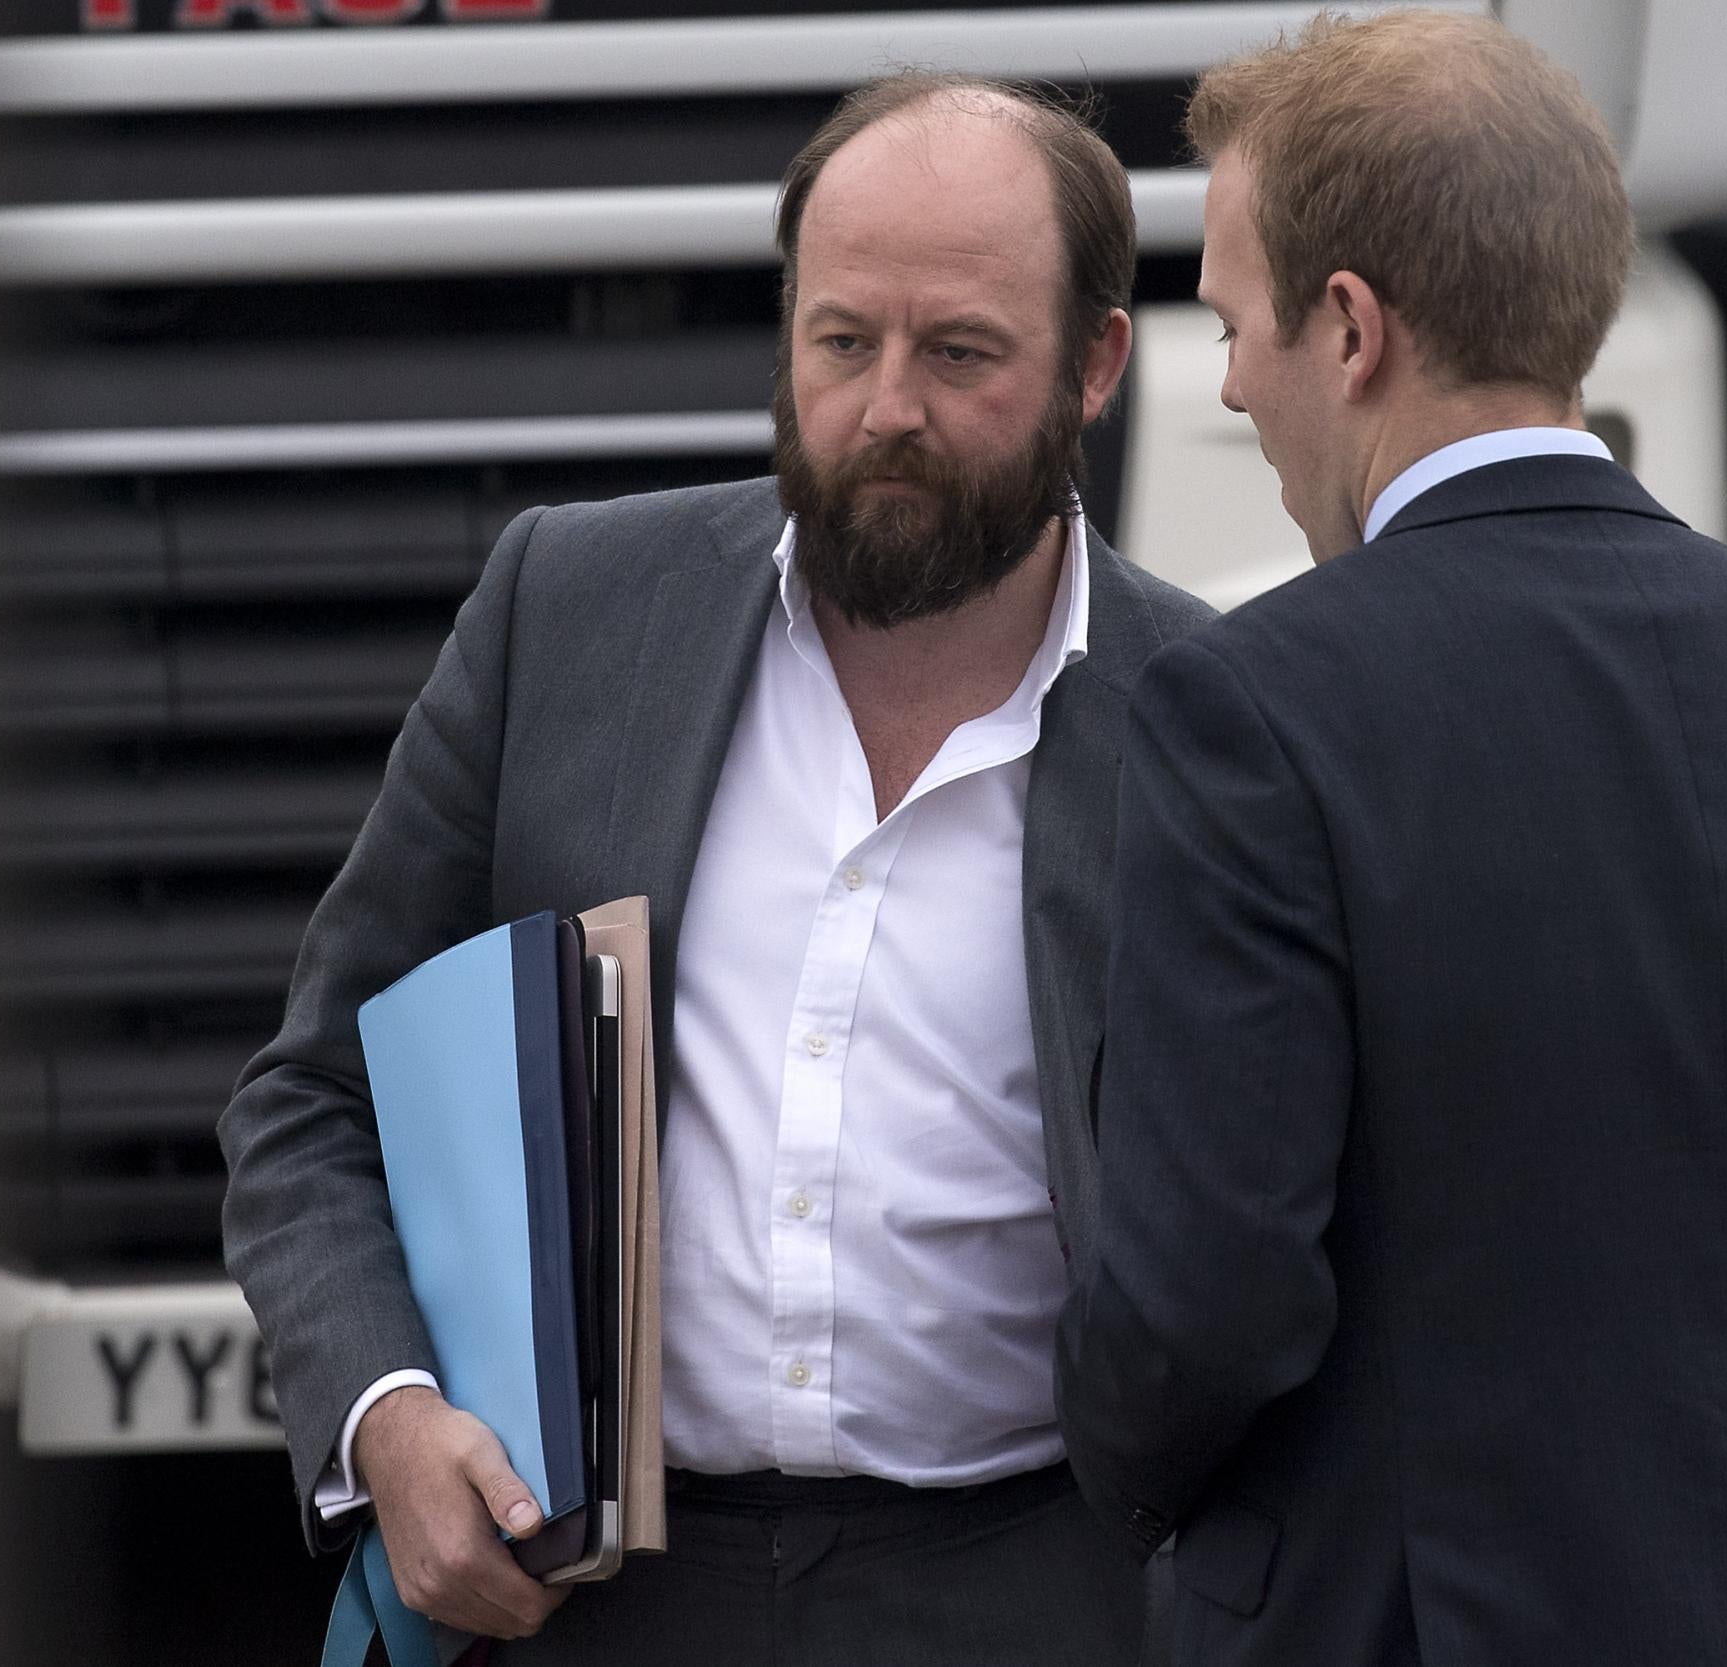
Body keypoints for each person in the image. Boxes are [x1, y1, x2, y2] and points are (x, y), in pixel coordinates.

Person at [1054, 12, 1727, 1666]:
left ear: (1351, 328)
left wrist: (1141, 1525)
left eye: (1231, 322)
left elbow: (1202, 1306)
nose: (1228, 384)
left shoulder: (1253, 713)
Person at [220, 74, 1210, 1664]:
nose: (887, 407)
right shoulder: (569, 609)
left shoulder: (1214, 723)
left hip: (1035, 1593)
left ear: (1096, 364)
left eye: (958, 352)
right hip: (589, 1599)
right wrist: (387, 1418)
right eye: (840, 341)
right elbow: (310, 1102)